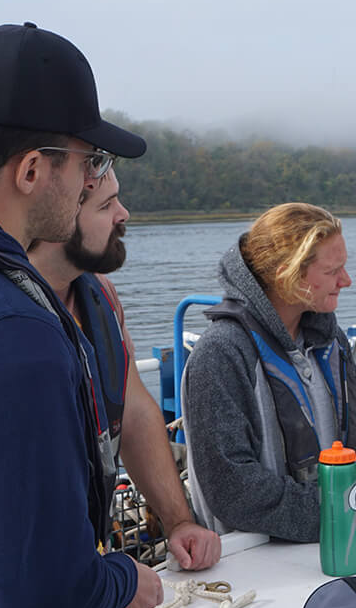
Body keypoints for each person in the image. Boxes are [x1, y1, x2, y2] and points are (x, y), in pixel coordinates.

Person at [0, 22, 163, 608]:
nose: (93, 180)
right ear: (33, 169)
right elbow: (45, 602)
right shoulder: (19, 334)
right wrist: (119, 582)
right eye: (88, 162)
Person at [29, 169, 222, 571]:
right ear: (56, 216)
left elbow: (133, 413)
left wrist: (179, 521)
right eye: (106, 205)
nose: (124, 213)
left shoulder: (100, 296)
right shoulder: (9, 316)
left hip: (80, 566)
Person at [182, 202, 356, 540]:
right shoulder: (220, 355)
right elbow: (233, 491)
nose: (346, 281)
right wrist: (342, 507)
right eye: (333, 271)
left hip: (330, 547)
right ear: (287, 274)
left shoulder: (334, 342)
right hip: (250, 561)